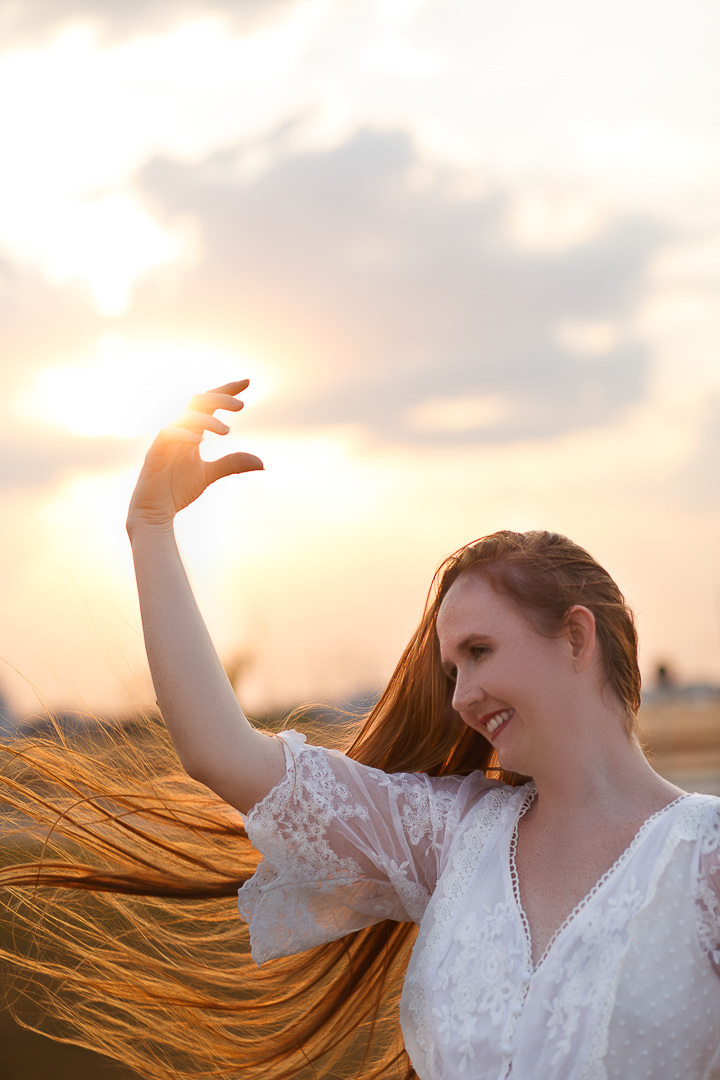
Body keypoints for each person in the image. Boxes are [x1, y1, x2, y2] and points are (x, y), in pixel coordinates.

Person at [2, 380, 720, 1080]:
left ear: (575, 636)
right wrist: (150, 528)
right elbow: (221, 752)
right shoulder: (451, 837)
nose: (463, 696)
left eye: (479, 652)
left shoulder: (706, 858)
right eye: (451, 672)